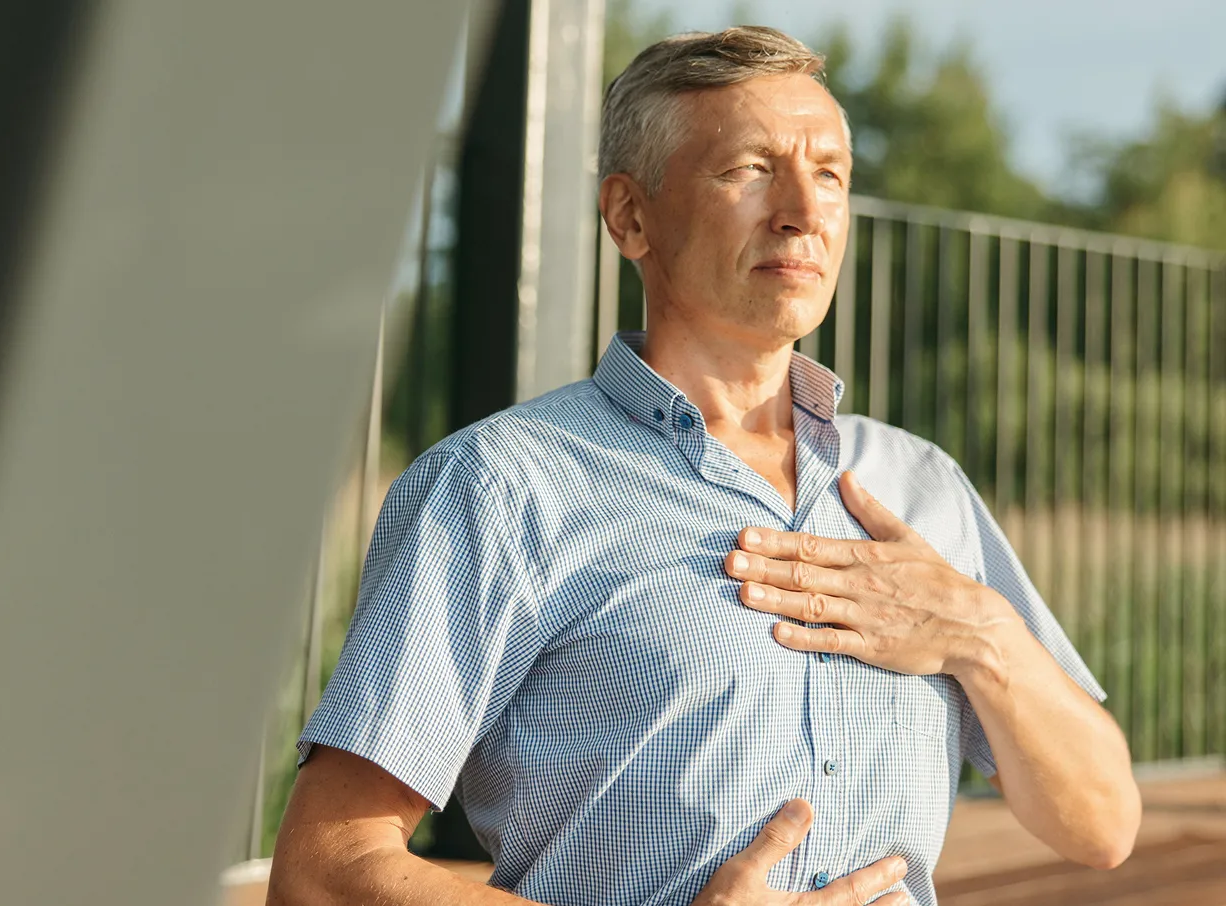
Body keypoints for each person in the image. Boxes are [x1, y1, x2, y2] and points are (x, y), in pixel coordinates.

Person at [266, 26, 1140, 906]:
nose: (803, 207)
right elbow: (322, 872)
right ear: (629, 216)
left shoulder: (922, 484)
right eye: (749, 169)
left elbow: (1102, 825)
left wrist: (978, 634)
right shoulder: (499, 486)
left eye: (830, 172)